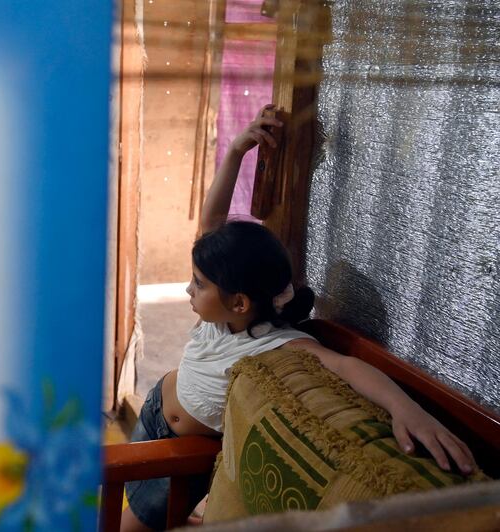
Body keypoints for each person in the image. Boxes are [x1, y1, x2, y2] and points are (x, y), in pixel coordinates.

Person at [120, 104, 476, 532]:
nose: (187, 290)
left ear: (239, 303)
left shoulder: (277, 342)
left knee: (134, 522)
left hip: (186, 452)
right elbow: (211, 224)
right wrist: (235, 151)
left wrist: (407, 409)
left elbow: (346, 365)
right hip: (158, 407)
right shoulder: (220, 315)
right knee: (130, 490)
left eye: (198, 283)